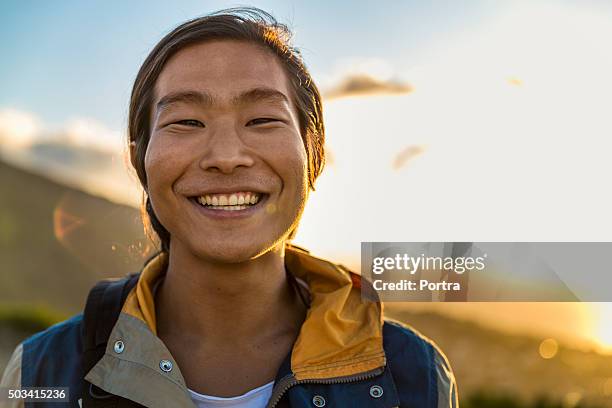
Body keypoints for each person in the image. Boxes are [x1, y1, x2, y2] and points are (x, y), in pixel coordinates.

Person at [1, 8, 458, 408]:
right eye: (186, 121)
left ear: (313, 152)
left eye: (261, 120)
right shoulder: (39, 375)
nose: (226, 155)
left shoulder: (413, 375)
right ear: (141, 158)